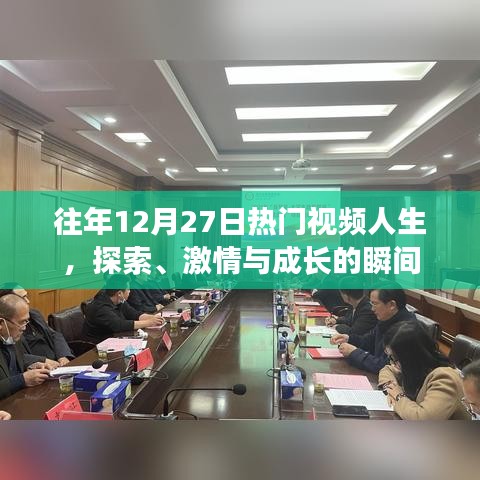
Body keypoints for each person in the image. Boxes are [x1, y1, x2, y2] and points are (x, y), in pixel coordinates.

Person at [378, 321, 470, 420]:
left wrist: (399, 396)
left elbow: (422, 419)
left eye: (394, 358)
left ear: (409, 358)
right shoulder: (418, 367)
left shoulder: (446, 378)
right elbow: (387, 370)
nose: (392, 362)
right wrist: (390, 388)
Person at [330, 282, 416, 373]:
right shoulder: (386, 319)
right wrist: (348, 338)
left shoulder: (407, 330)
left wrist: (354, 352)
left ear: (392, 305)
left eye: (375, 304)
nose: (372, 309)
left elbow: (385, 367)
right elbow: (367, 341)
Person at [0, 283, 73, 367]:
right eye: (22, 298)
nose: (28, 301)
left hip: (58, 362)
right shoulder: (8, 328)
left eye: (27, 296)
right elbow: (13, 356)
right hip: (39, 368)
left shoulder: (34, 313)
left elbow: (54, 335)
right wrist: (43, 360)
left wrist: (63, 355)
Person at [83, 274, 165, 343]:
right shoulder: (101, 307)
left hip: (116, 337)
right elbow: (120, 325)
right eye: (128, 289)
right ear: (119, 293)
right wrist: (149, 322)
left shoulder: (119, 300)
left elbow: (133, 313)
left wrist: (153, 318)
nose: (130, 291)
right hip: (98, 346)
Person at [0, 294, 51, 400]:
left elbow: (15, 361)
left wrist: (32, 366)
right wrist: (22, 380)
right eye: (21, 322)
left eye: (26, 321)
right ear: (1, 323)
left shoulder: (13, 336)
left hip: (19, 399)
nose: (24, 328)